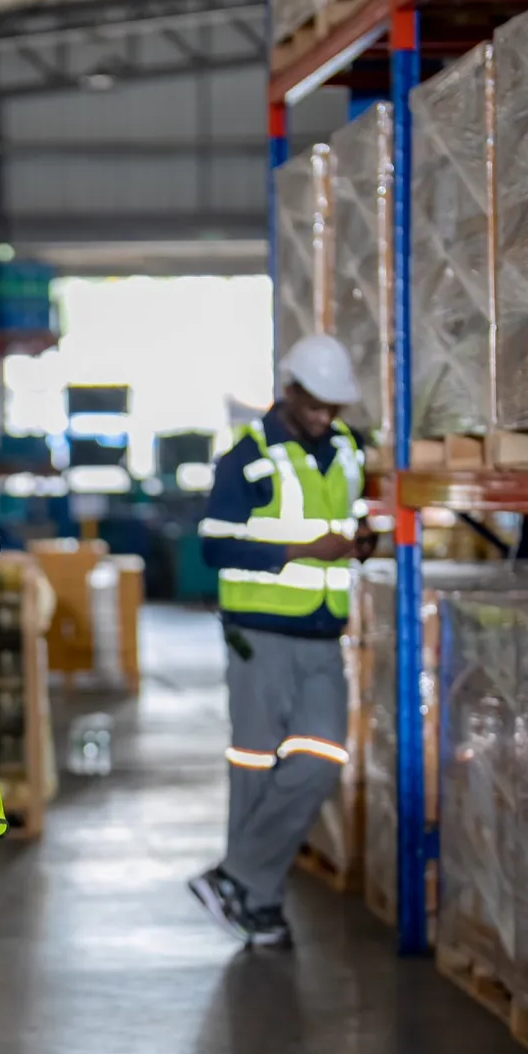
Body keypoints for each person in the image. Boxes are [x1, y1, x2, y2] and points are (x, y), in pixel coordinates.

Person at [188, 333, 370, 948]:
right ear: (289, 391)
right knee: (256, 764)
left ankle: (235, 878)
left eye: (333, 408)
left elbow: (348, 517)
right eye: (315, 404)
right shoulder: (246, 457)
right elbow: (213, 545)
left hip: (323, 628)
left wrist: (360, 542)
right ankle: (258, 905)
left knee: (322, 758)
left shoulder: (348, 449)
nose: (324, 418)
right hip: (259, 632)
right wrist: (298, 551)